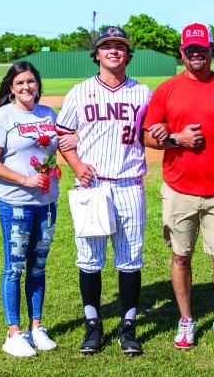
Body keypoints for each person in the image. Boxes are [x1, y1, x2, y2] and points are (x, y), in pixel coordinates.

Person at [56, 26, 168, 356]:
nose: (114, 51)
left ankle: (128, 325)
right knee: (90, 259)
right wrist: (76, 166)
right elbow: (62, 133)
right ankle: (93, 325)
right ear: (97, 55)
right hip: (92, 185)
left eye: (120, 46)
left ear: (127, 54)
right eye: (107, 46)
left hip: (130, 185)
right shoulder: (80, 91)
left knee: (130, 259)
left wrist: (164, 131)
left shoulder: (143, 93)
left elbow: (152, 131)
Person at [142, 23, 214, 350]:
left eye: (201, 48)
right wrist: (174, 138)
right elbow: (149, 135)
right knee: (180, 257)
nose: (195, 54)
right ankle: (186, 320)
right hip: (178, 189)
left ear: (211, 50)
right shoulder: (167, 90)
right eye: (189, 49)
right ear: (181, 52)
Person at [0, 61, 61, 357]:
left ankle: (36, 327)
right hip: (15, 202)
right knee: (14, 267)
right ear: (12, 88)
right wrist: (25, 180)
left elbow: (60, 147)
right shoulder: (2, 117)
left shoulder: (49, 114)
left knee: (38, 266)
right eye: (20, 84)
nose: (26, 87)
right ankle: (14, 333)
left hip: (47, 203)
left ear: (38, 83)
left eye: (31, 81)